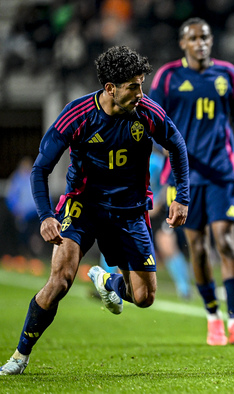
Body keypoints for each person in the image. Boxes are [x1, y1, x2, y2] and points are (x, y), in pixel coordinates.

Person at [0, 45, 190, 376]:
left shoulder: (147, 112)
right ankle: (20, 355)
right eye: (134, 86)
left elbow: (177, 146)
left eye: (142, 84)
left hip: (130, 210)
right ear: (110, 88)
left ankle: (108, 282)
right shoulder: (78, 115)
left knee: (144, 297)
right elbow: (40, 168)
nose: (140, 93)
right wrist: (46, 215)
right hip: (83, 205)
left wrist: (181, 196)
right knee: (60, 280)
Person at [150, 17, 234, 346]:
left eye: (205, 37)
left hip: (221, 172)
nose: (201, 43)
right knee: (196, 246)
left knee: (224, 240)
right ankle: (213, 317)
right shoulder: (168, 77)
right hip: (181, 179)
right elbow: (150, 121)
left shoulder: (228, 74)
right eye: (193, 38)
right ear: (183, 43)